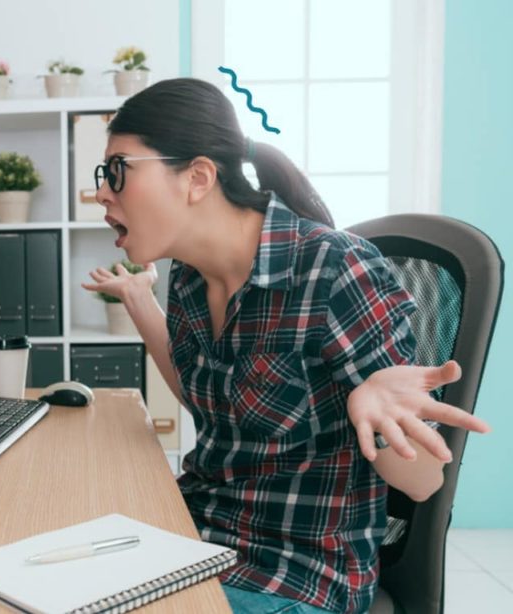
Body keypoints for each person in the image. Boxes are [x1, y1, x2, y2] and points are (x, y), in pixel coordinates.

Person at [81, 78, 490, 614]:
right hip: (193, 538)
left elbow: (421, 483)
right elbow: (210, 403)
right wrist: (140, 302)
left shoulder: (336, 270)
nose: (102, 193)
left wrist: (375, 409)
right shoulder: (186, 280)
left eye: (118, 171)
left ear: (198, 177)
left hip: (297, 575)